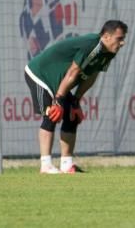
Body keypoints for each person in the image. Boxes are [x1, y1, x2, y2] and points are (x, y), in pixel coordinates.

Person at [24, 19, 128, 173]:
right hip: (40, 74)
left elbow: (92, 76)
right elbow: (73, 71)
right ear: (106, 36)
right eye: (119, 38)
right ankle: (45, 165)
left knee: (72, 116)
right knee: (52, 114)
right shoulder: (92, 45)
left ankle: (66, 164)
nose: (122, 43)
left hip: (59, 81)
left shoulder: (108, 53)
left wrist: (75, 100)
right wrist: (58, 100)